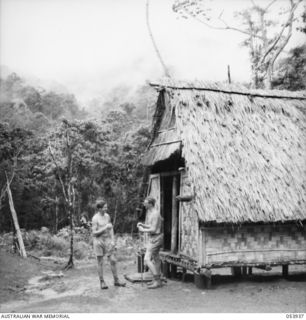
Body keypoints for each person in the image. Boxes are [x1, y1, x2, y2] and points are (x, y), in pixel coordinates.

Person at [92, 199, 126, 289]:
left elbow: (111, 228)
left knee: (113, 260)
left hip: (107, 240)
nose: (106, 208)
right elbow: (94, 233)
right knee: (100, 262)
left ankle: (116, 280)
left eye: (106, 207)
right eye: (104, 207)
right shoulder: (95, 218)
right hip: (98, 241)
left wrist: (113, 240)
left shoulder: (107, 216)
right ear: (99, 208)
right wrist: (104, 228)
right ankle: (102, 282)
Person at [137, 196, 163, 289]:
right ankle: (157, 279)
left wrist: (142, 229)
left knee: (146, 259)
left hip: (156, 238)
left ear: (150, 204)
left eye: (145, 202)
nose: (144, 204)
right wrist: (143, 225)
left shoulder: (155, 214)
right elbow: (151, 226)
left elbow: (154, 229)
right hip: (154, 238)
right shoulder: (151, 213)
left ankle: (157, 280)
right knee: (156, 258)